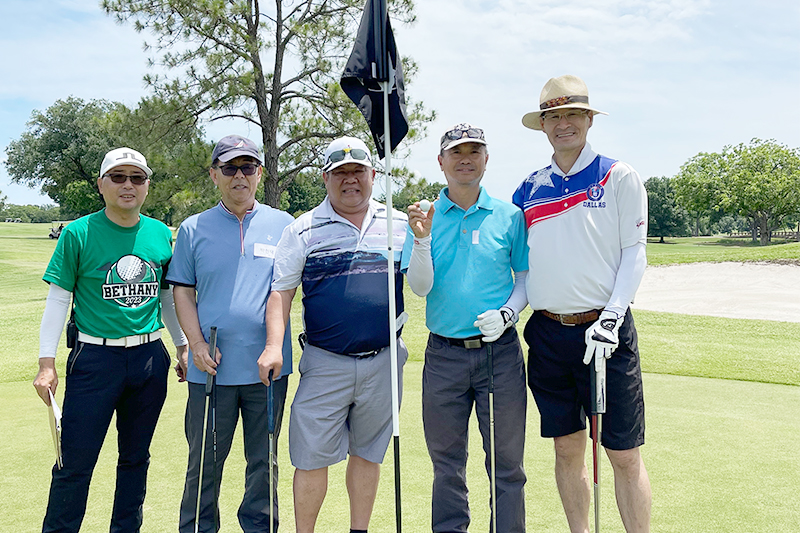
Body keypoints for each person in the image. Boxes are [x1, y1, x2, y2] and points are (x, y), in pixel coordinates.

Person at [513, 74, 652, 533]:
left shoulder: (618, 176)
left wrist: (612, 316)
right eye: (554, 116)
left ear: (589, 119)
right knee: (567, 448)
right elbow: (523, 267)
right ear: (544, 125)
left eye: (573, 114)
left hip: (607, 333)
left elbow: (634, 251)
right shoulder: (528, 188)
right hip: (550, 335)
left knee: (623, 454)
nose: (563, 124)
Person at [33, 147, 188, 533]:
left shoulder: (158, 233)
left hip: (150, 359)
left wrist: (182, 344)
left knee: (135, 460)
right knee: (75, 462)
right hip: (94, 358)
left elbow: (167, 296)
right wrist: (46, 363)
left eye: (137, 177)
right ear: (102, 184)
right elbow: (58, 298)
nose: (128, 185)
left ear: (147, 185)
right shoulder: (78, 233)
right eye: (118, 177)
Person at [259, 136, 408, 533]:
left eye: (358, 171)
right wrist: (274, 346)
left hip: (385, 358)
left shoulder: (399, 223)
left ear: (373, 175)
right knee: (310, 457)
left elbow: (424, 277)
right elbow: (281, 292)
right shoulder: (303, 229)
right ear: (325, 178)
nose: (350, 180)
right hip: (325, 362)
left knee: (368, 453)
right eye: (340, 173)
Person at [402, 123, 529, 533]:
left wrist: (509, 313)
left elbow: (525, 279)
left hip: (500, 356)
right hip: (443, 357)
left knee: (507, 466)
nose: (465, 159)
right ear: (441, 163)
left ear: (486, 160)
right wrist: (421, 240)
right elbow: (420, 288)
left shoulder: (509, 216)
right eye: (456, 153)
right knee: (447, 466)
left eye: (474, 152)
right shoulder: (423, 217)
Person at [167, 135, 294, 533]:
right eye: (229, 168)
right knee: (204, 463)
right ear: (214, 175)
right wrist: (195, 344)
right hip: (212, 368)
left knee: (264, 464)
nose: (240, 176)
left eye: (248, 167)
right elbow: (182, 291)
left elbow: (289, 289)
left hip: (267, 369)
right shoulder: (193, 229)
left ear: (260, 173)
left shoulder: (285, 225)